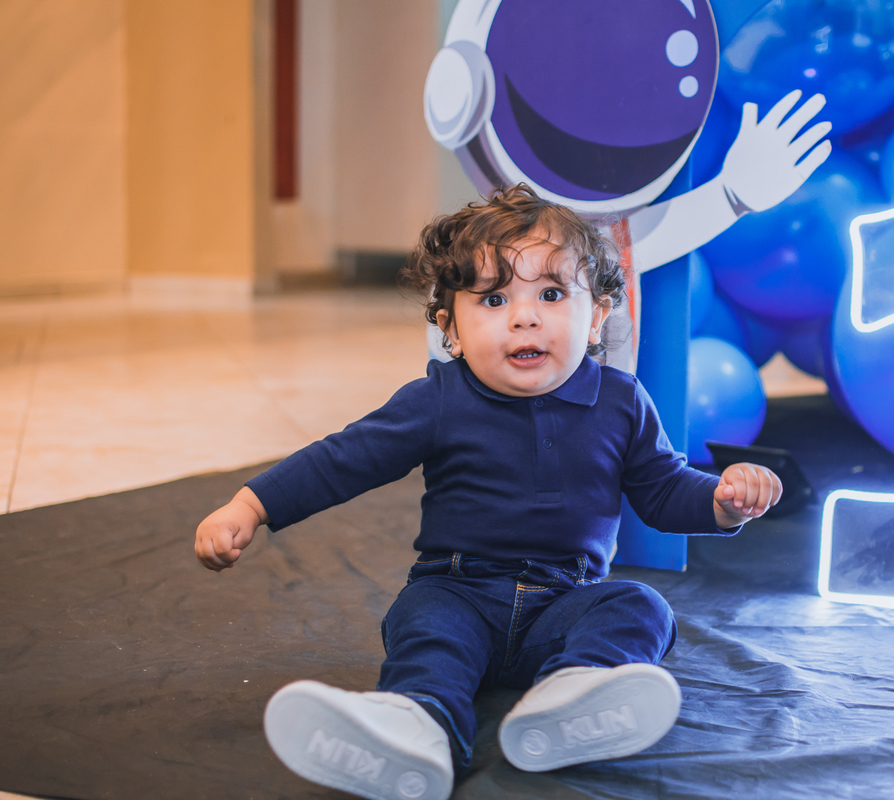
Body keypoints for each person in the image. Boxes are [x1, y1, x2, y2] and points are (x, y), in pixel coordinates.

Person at [194, 184, 782, 800]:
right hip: (458, 589)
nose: (525, 316)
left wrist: (720, 499)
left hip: (564, 599)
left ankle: (571, 696)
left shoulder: (621, 401)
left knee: (640, 607)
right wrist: (252, 504)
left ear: (597, 317)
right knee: (426, 632)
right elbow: (344, 458)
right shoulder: (439, 400)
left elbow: (662, 490)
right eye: (494, 298)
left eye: (551, 294)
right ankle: (416, 728)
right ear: (450, 329)